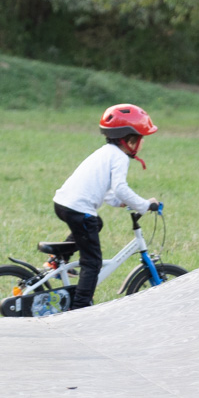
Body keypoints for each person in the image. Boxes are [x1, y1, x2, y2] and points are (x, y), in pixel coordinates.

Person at [52, 103, 160, 309]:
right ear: (130, 139)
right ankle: (79, 309)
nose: (142, 143)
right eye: (141, 138)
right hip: (79, 209)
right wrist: (144, 205)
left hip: (64, 204)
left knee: (95, 224)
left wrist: (120, 203)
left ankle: (58, 259)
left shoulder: (105, 152)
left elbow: (110, 193)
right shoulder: (119, 157)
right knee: (92, 263)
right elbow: (120, 188)